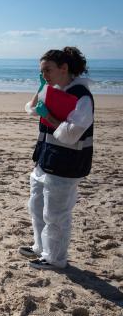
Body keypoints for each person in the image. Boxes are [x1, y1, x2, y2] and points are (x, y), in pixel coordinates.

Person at [20, 47, 94, 270]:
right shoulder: (53, 88)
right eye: (41, 72)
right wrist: (42, 87)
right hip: (45, 159)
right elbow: (31, 109)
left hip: (66, 163)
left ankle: (55, 258)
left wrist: (49, 117)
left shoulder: (81, 96)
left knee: (56, 214)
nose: (44, 75)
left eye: (47, 71)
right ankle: (40, 247)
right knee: (37, 206)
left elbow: (71, 135)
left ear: (64, 68)